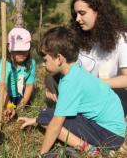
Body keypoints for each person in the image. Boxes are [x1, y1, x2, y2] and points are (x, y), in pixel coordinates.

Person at [18, 26, 125, 157]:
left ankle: (91, 151)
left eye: (45, 60)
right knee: (46, 115)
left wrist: (42, 153)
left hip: (108, 136)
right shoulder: (75, 73)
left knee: (47, 117)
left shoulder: (70, 82)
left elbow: (56, 123)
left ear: (59, 59)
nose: (43, 64)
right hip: (114, 133)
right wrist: (35, 120)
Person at [0, 27, 36, 121]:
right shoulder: (4, 64)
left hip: (18, 94)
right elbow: (2, 87)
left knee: (21, 108)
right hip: (2, 92)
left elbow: (29, 86)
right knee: (3, 103)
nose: (20, 53)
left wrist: (21, 106)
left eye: (24, 50)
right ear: (9, 48)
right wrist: (8, 105)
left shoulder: (31, 63)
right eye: (17, 50)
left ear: (30, 48)